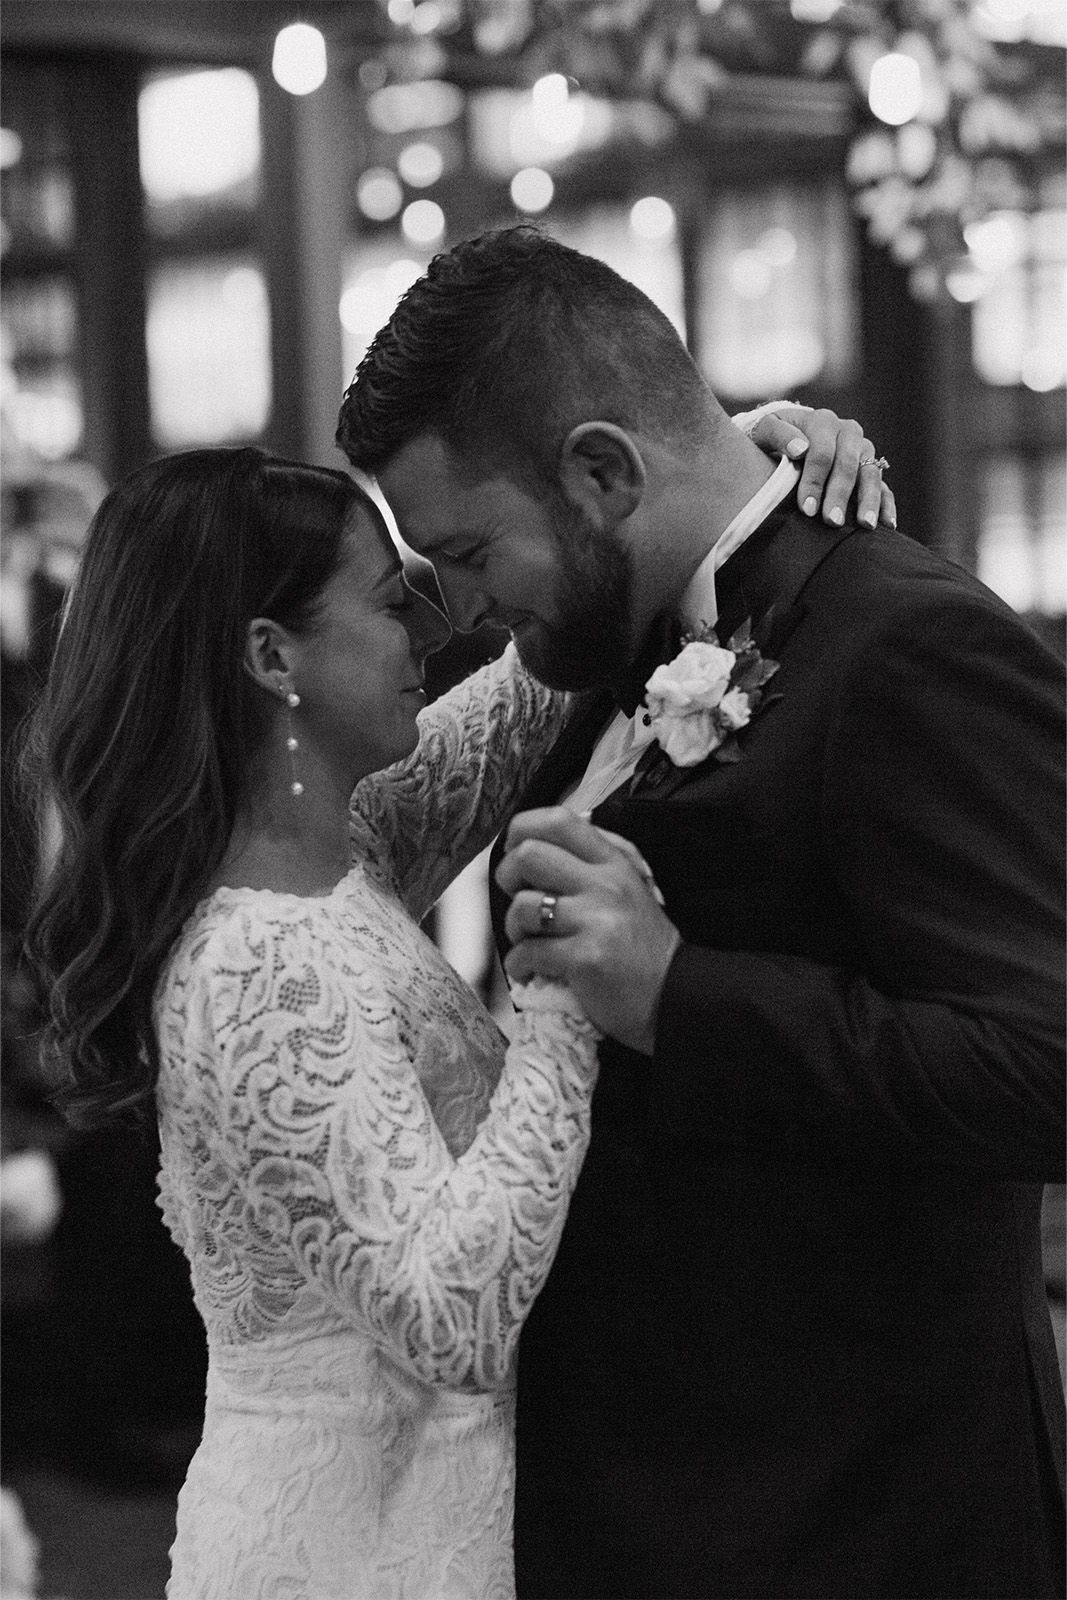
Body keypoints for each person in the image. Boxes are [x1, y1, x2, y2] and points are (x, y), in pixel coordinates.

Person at [22, 407, 885, 1596]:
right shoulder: (257, 965)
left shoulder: (348, 845)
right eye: (388, 604)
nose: (431, 634)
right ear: (273, 658)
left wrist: (723, 470)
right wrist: (566, 983)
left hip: (434, 1506)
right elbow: (450, 1317)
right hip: (352, 1547)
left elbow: (531, 678)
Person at [336, 225, 1066, 1600]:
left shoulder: (905, 644)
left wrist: (680, 995)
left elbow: (1046, 1063)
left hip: (845, 1518)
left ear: (602, 471)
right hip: (649, 1500)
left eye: (471, 552)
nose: (469, 609)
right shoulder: (622, 644)